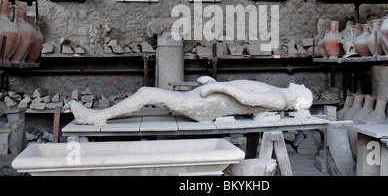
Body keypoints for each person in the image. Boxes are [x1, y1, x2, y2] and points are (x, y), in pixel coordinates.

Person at [69, 76, 313, 125]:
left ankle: (96, 117)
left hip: (203, 106)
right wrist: (214, 83)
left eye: (303, 89)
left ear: (300, 98)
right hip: (206, 98)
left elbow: (246, 98)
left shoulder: (279, 99)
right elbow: (241, 90)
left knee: (147, 93)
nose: (300, 84)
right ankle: (97, 116)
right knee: (148, 93)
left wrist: (218, 87)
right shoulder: (276, 92)